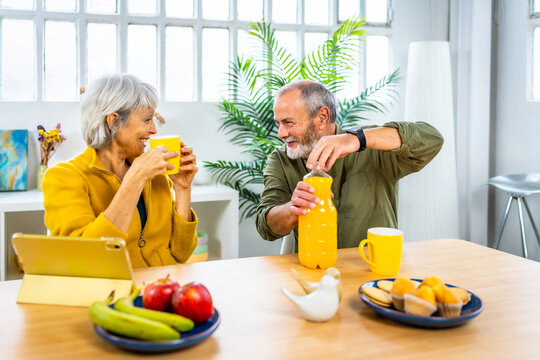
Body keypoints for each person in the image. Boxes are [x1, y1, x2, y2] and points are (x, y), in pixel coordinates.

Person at [255, 80, 444, 250]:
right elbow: (266, 226)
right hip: (314, 272)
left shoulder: (373, 146)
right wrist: (292, 209)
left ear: (322, 117)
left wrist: (359, 139)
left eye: (288, 123)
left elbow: (432, 139)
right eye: (278, 123)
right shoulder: (280, 160)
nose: (280, 133)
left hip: (373, 269)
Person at [42, 74, 198, 268]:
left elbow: (181, 253)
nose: (154, 130)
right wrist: (135, 179)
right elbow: (85, 258)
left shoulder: (155, 174)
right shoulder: (64, 177)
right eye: (147, 119)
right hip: (112, 293)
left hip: (162, 288)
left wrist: (182, 188)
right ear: (113, 121)